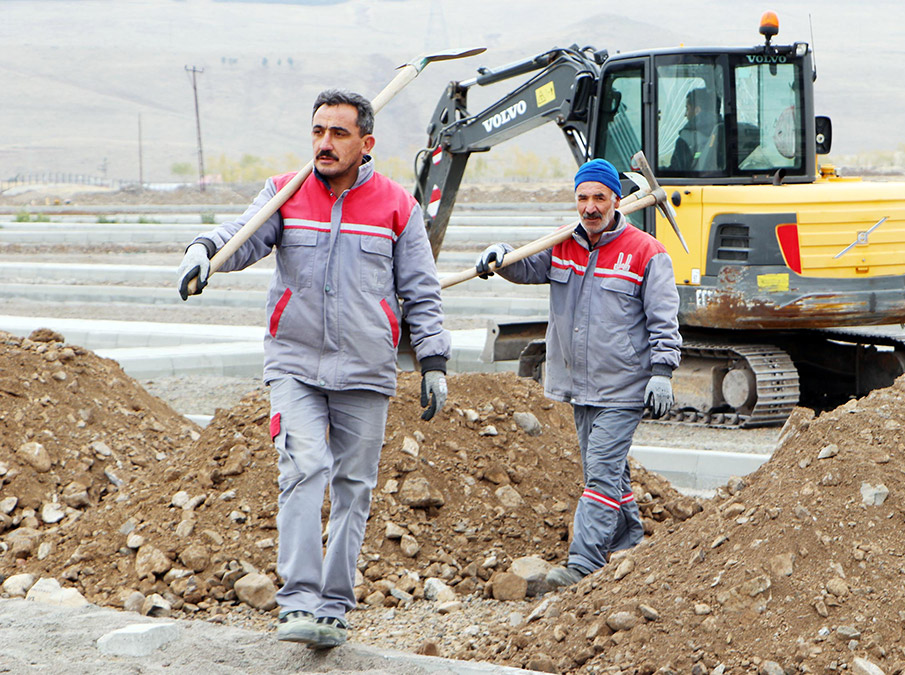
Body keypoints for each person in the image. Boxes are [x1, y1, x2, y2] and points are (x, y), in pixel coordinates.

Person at [175, 89, 450, 649]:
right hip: (295, 362)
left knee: (353, 487)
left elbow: (421, 291)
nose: (325, 143)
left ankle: (333, 608)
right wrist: (204, 249)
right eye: (318, 131)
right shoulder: (286, 191)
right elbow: (242, 235)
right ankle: (298, 601)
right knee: (303, 468)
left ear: (366, 143)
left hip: (366, 368)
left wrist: (433, 361)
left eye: (338, 133)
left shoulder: (398, 206)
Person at [474, 158, 682, 589]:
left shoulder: (647, 252)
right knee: (605, 473)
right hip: (579, 383)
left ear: (616, 200)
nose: (590, 207)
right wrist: (501, 256)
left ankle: (583, 564)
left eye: (599, 198)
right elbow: (526, 267)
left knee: (601, 472)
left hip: (624, 384)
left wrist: (662, 371)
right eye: (583, 197)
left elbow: (664, 319)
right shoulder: (562, 243)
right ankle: (628, 544)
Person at [667, 87, 721, 172]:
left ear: (697, 111)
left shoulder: (686, 138)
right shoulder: (725, 132)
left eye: (687, 109)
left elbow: (676, 172)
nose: (685, 114)